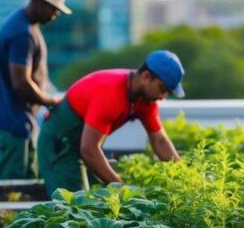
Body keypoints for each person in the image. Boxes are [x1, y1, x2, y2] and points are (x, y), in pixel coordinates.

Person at [37, 50, 185, 195]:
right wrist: (122, 188)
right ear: (146, 76)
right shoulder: (111, 93)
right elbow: (89, 150)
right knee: (75, 208)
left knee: (98, 203)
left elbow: (159, 140)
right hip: (60, 144)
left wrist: (184, 175)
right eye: (162, 89)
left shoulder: (146, 100)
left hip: (84, 146)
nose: (163, 96)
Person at [0, 0, 70, 180]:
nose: (55, 15)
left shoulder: (25, 26)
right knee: (13, 188)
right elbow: (21, 83)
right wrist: (50, 101)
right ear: (39, 2)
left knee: (27, 182)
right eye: (53, 8)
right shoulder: (21, 33)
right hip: (12, 122)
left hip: (18, 121)